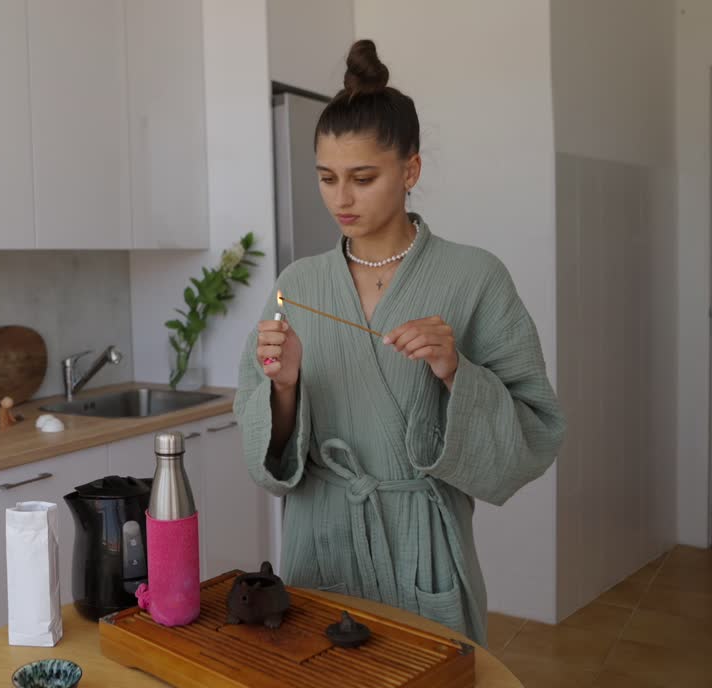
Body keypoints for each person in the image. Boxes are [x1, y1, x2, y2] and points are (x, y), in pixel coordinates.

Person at [235, 39, 565, 647]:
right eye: (327, 178)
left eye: (363, 178)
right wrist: (285, 389)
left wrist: (455, 371)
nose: (341, 198)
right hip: (321, 537)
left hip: (423, 543)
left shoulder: (474, 277)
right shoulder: (297, 283)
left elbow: (536, 425)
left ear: (410, 170)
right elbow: (266, 443)